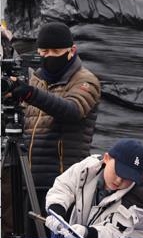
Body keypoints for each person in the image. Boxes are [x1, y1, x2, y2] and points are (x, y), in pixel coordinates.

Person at [7, 22, 101, 209]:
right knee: (29, 237)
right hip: (31, 181)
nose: (48, 56)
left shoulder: (85, 80)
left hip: (65, 183)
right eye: (44, 52)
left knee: (56, 237)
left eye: (55, 52)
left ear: (71, 50)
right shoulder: (37, 79)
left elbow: (72, 110)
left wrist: (31, 94)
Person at [44, 140, 143, 238]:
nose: (119, 180)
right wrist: (57, 213)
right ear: (106, 158)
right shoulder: (88, 167)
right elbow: (64, 186)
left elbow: (113, 233)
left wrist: (87, 233)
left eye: (127, 177)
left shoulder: (136, 201)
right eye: (118, 172)